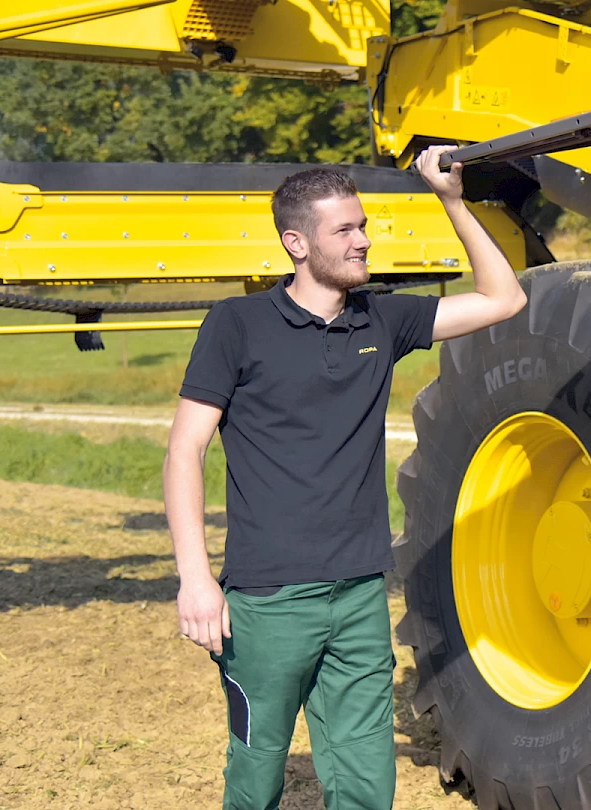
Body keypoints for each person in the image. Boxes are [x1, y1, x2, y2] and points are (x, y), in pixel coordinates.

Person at [162, 145, 526, 810]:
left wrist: (450, 200)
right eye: (345, 230)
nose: (363, 241)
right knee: (256, 777)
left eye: (364, 226)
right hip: (268, 600)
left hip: (359, 592)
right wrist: (195, 578)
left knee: (365, 782)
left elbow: (505, 298)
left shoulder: (381, 318)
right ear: (297, 244)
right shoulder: (237, 325)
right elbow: (185, 450)